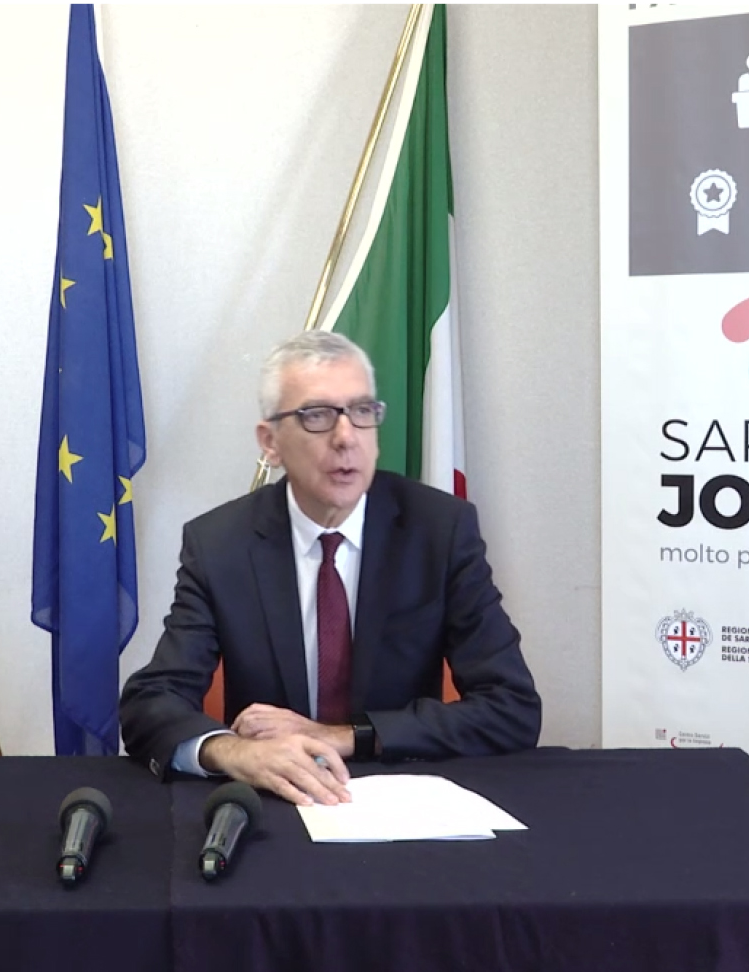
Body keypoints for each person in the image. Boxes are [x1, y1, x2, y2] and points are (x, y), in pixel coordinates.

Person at [118, 331, 541, 807]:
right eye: (316, 416)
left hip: (400, 802)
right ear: (271, 443)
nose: (345, 437)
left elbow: (511, 707)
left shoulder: (438, 531)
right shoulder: (221, 544)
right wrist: (234, 752)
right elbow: (151, 701)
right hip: (274, 805)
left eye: (362, 412)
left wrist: (340, 736)